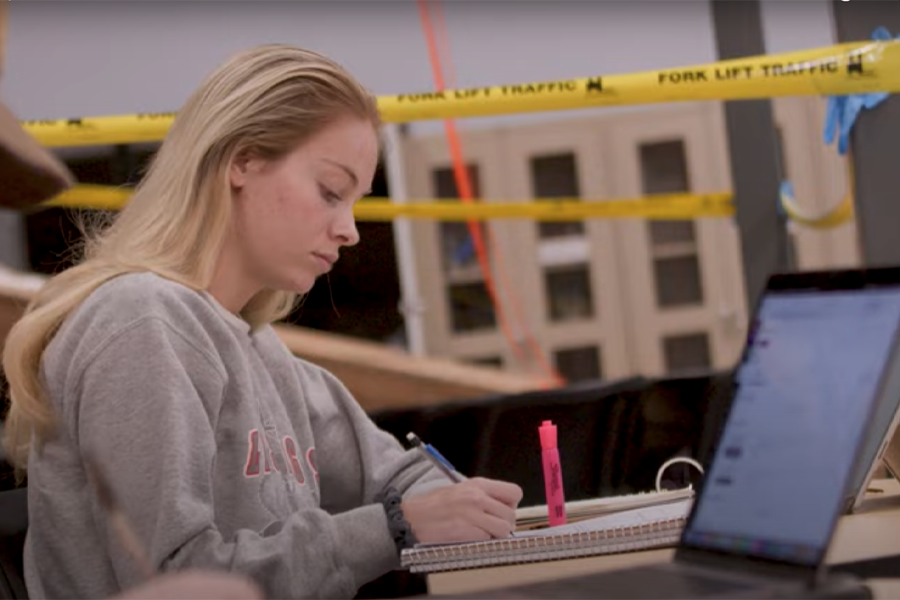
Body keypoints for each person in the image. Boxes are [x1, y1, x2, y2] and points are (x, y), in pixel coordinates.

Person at [1, 43, 523, 600]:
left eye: (354, 202)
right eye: (330, 191)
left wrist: (447, 505)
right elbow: (181, 583)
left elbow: (400, 475)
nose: (350, 229)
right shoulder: (141, 322)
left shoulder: (260, 351)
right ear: (242, 161)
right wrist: (391, 527)